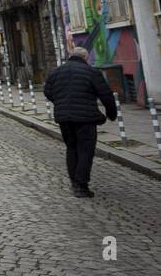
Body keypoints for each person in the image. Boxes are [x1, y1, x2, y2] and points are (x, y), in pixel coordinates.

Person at [43, 46, 117, 198]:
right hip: (85, 118)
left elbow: (47, 91)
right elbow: (106, 95)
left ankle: (74, 181)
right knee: (85, 150)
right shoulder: (91, 72)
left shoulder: (56, 72)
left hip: (64, 118)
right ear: (85, 58)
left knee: (72, 148)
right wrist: (111, 114)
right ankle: (81, 185)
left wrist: (60, 103)